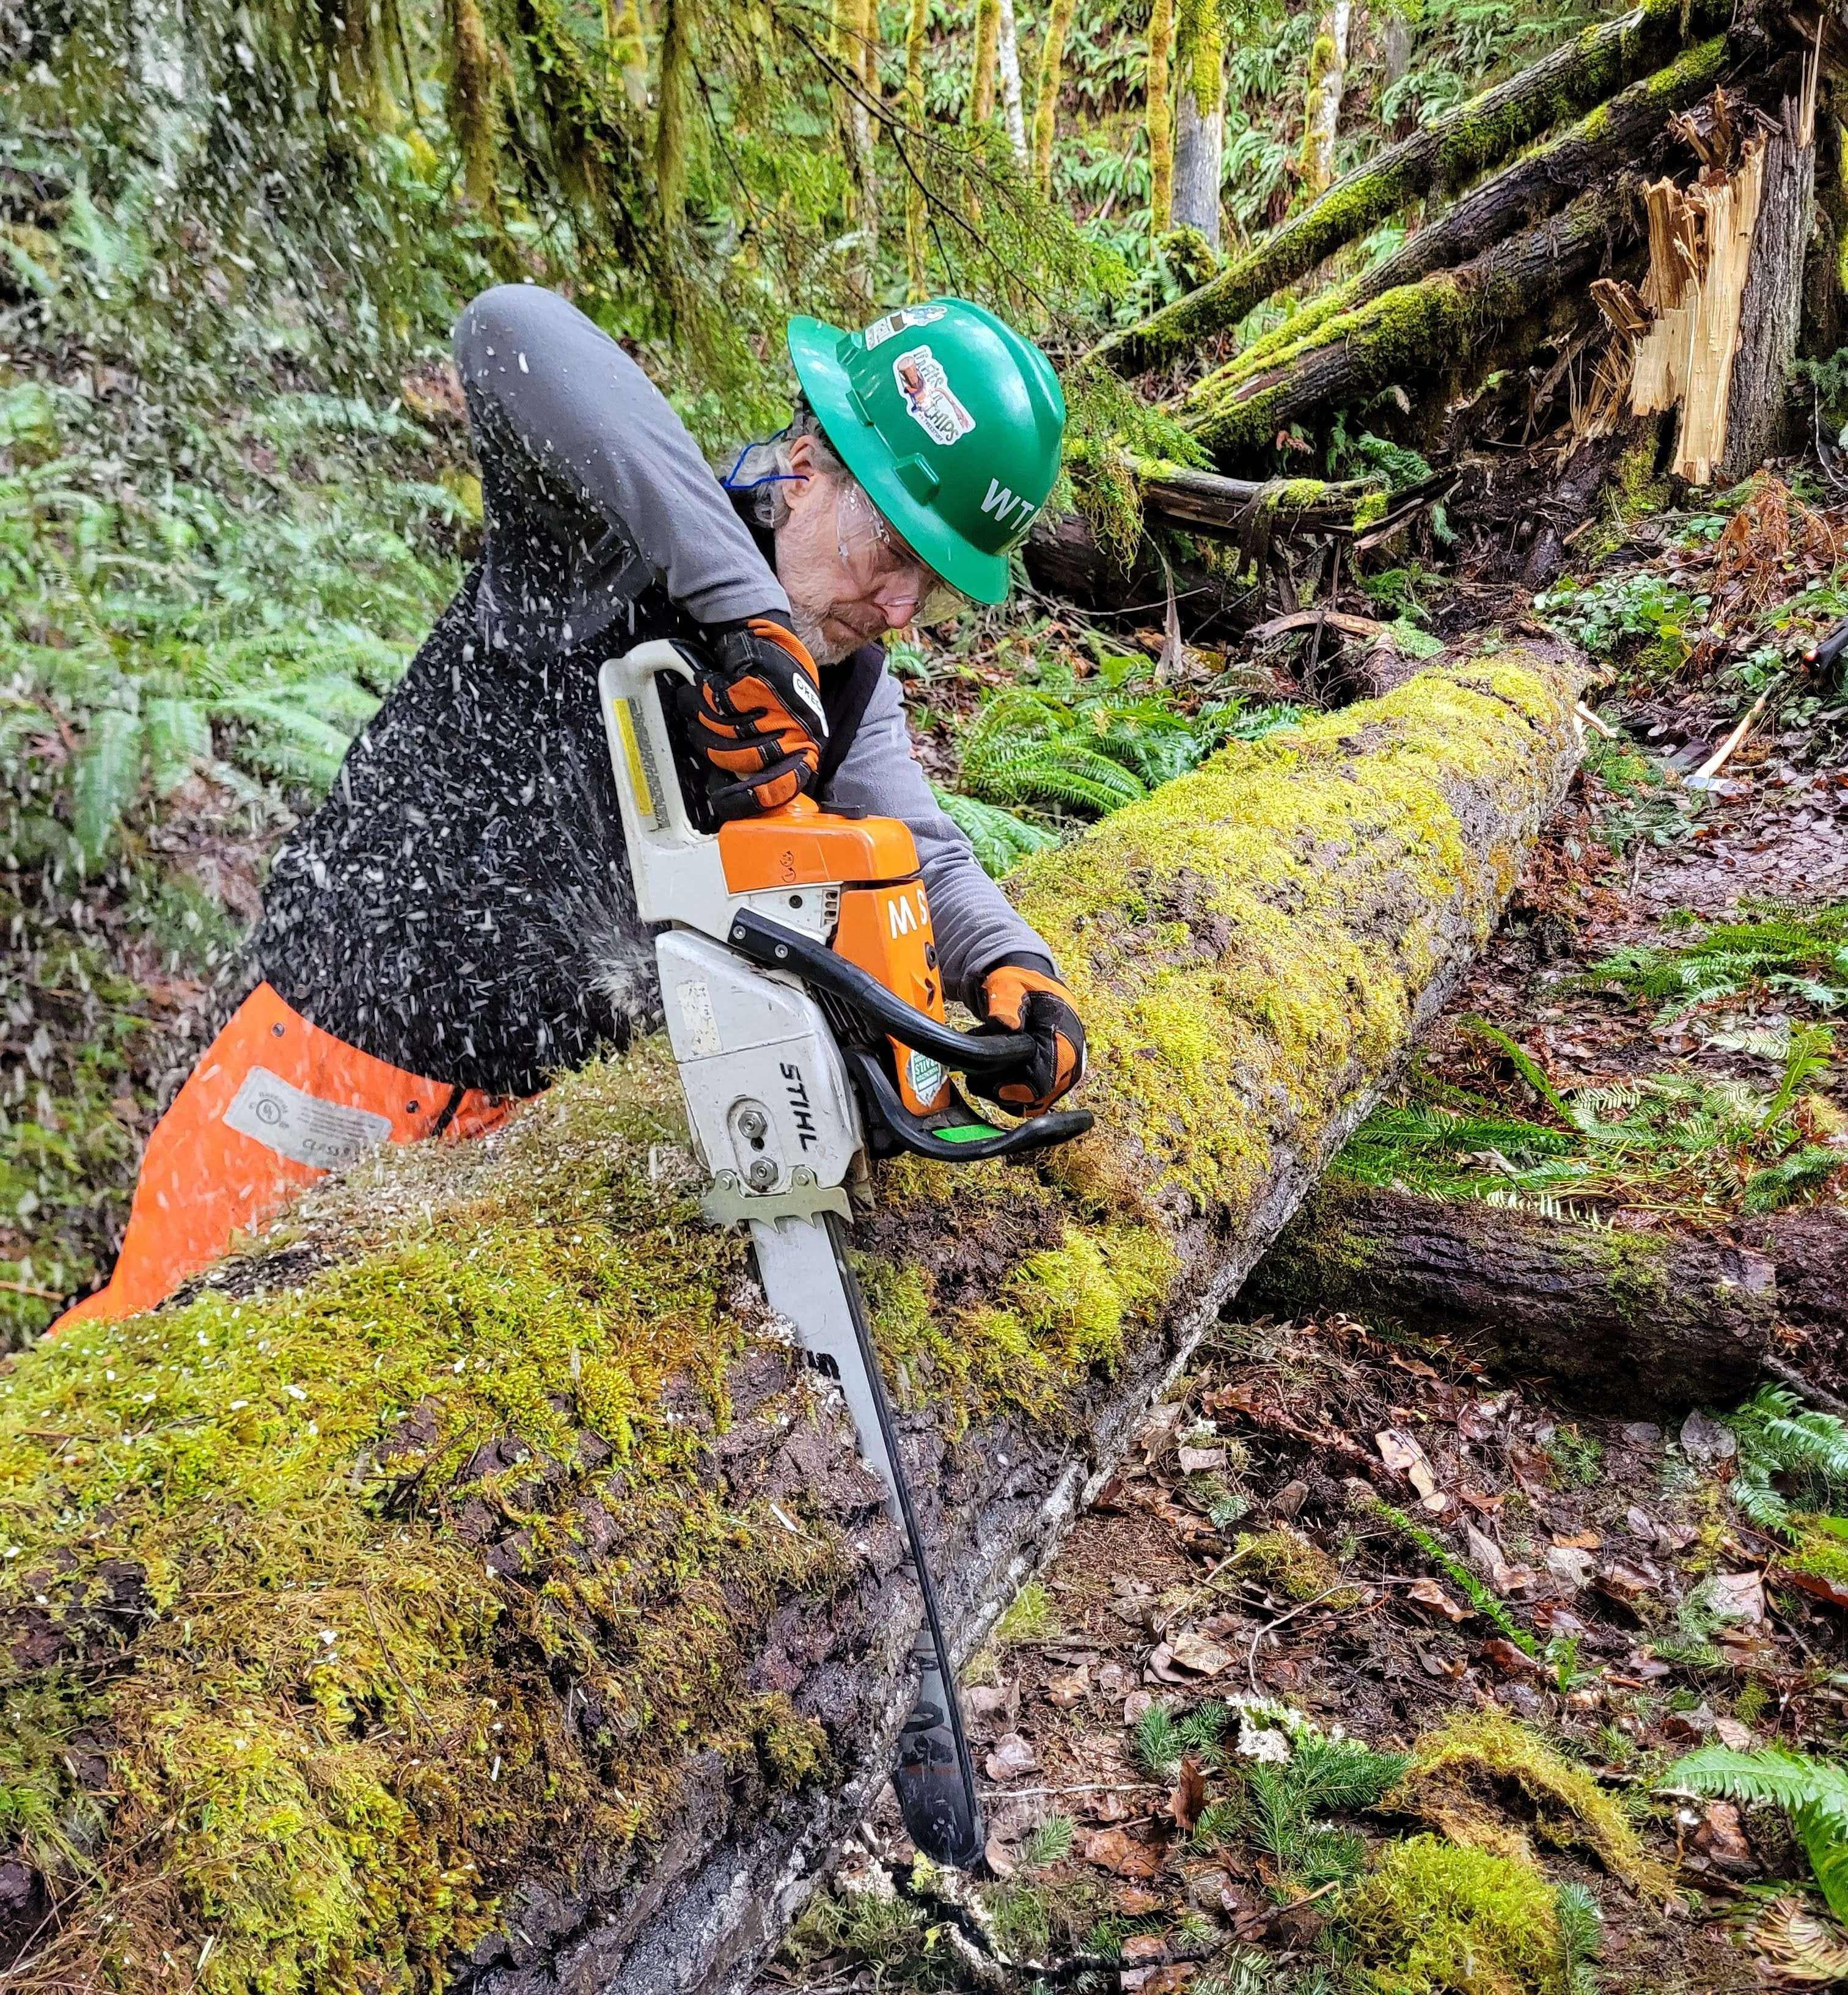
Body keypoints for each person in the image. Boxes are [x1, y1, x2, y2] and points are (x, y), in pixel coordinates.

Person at [58, 287, 1088, 1327]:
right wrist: (749, 617)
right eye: (894, 554)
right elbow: (508, 326)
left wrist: (1015, 969)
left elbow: (921, 854)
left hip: (519, 1130)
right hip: (337, 1054)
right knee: (137, 1371)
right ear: (807, 468)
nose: (903, 610)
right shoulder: (604, 527)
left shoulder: (851, 680)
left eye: (937, 585)